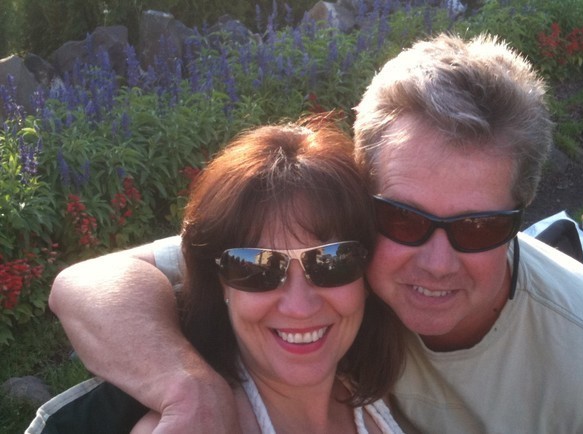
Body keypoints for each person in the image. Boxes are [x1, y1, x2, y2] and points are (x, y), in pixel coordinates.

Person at [48, 33, 583, 433]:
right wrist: (190, 391)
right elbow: (88, 283)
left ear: (519, 217)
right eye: (403, 219)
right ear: (360, 197)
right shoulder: (320, 247)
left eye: (477, 227)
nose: (436, 262)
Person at [28, 121, 406, 433]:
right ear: (220, 283)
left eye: (332, 261)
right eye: (257, 267)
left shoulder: (381, 400)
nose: (299, 305)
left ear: (365, 277)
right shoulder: (190, 426)